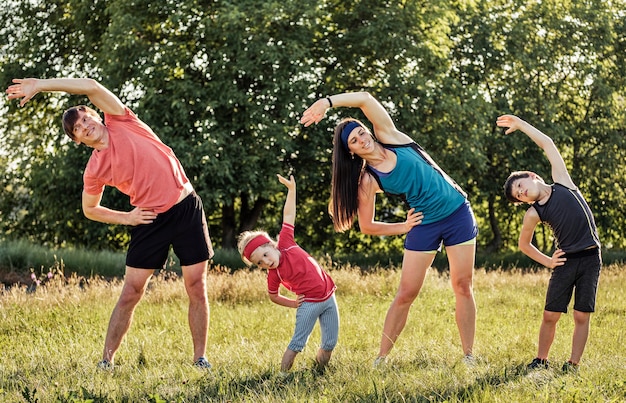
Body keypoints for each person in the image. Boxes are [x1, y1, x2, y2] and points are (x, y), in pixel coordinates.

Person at [6, 77, 215, 369]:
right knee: (131, 292)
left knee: (196, 285)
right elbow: (90, 209)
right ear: (78, 140)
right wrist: (127, 218)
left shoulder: (121, 120)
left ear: (94, 114)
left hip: (185, 208)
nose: (84, 125)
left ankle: (200, 358)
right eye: (77, 128)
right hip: (148, 219)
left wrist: (41, 85)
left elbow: (90, 85)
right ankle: (106, 361)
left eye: (84, 118)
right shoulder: (94, 169)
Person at [300, 92, 478, 365]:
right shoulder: (369, 180)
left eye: (361, 132)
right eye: (355, 141)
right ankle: (381, 359)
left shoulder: (391, 136)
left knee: (462, 285)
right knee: (406, 293)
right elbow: (367, 226)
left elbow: (365, 99)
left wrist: (327, 102)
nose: (362, 139)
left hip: (457, 213)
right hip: (424, 224)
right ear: (351, 151)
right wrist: (403, 226)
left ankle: (469, 356)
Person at [498, 114, 601, 372]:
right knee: (550, 315)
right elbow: (524, 244)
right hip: (565, 262)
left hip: (590, 258)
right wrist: (548, 261)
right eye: (519, 196)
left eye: (521, 186)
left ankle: (573, 364)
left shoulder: (562, 182)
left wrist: (521, 124)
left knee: (581, 315)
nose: (522, 193)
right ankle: (541, 360)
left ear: (532, 176)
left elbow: (547, 144)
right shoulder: (534, 213)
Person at [237, 174, 339, 374]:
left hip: (329, 296)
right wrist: (293, 303)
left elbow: (289, 214)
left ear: (271, 245)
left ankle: (319, 372)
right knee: (297, 344)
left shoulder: (286, 242)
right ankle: (282, 376)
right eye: (259, 263)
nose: (266, 262)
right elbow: (273, 296)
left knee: (329, 343)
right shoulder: (273, 275)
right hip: (309, 303)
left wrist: (292, 190)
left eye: (265, 255)